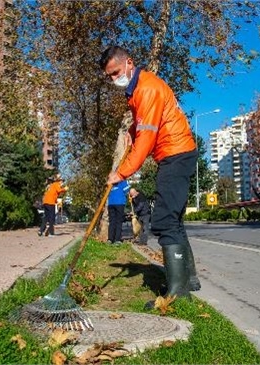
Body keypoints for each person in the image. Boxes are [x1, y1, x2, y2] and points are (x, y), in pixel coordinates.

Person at [99, 45, 201, 302]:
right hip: (176, 152)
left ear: (129, 63)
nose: (114, 79)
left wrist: (121, 172)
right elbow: (142, 127)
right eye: (109, 76)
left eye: (115, 72)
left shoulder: (147, 88)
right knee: (174, 219)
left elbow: (146, 139)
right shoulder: (137, 90)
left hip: (175, 154)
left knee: (164, 220)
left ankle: (177, 293)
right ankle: (188, 279)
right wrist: (132, 130)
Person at [107, 180, 130, 245]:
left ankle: (110, 239)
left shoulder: (111, 181)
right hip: (119, 203)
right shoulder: (122, 181)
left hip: (111, 203)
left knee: (112, 222)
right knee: (119, 221)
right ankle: (117, 240)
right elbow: (127, 190)